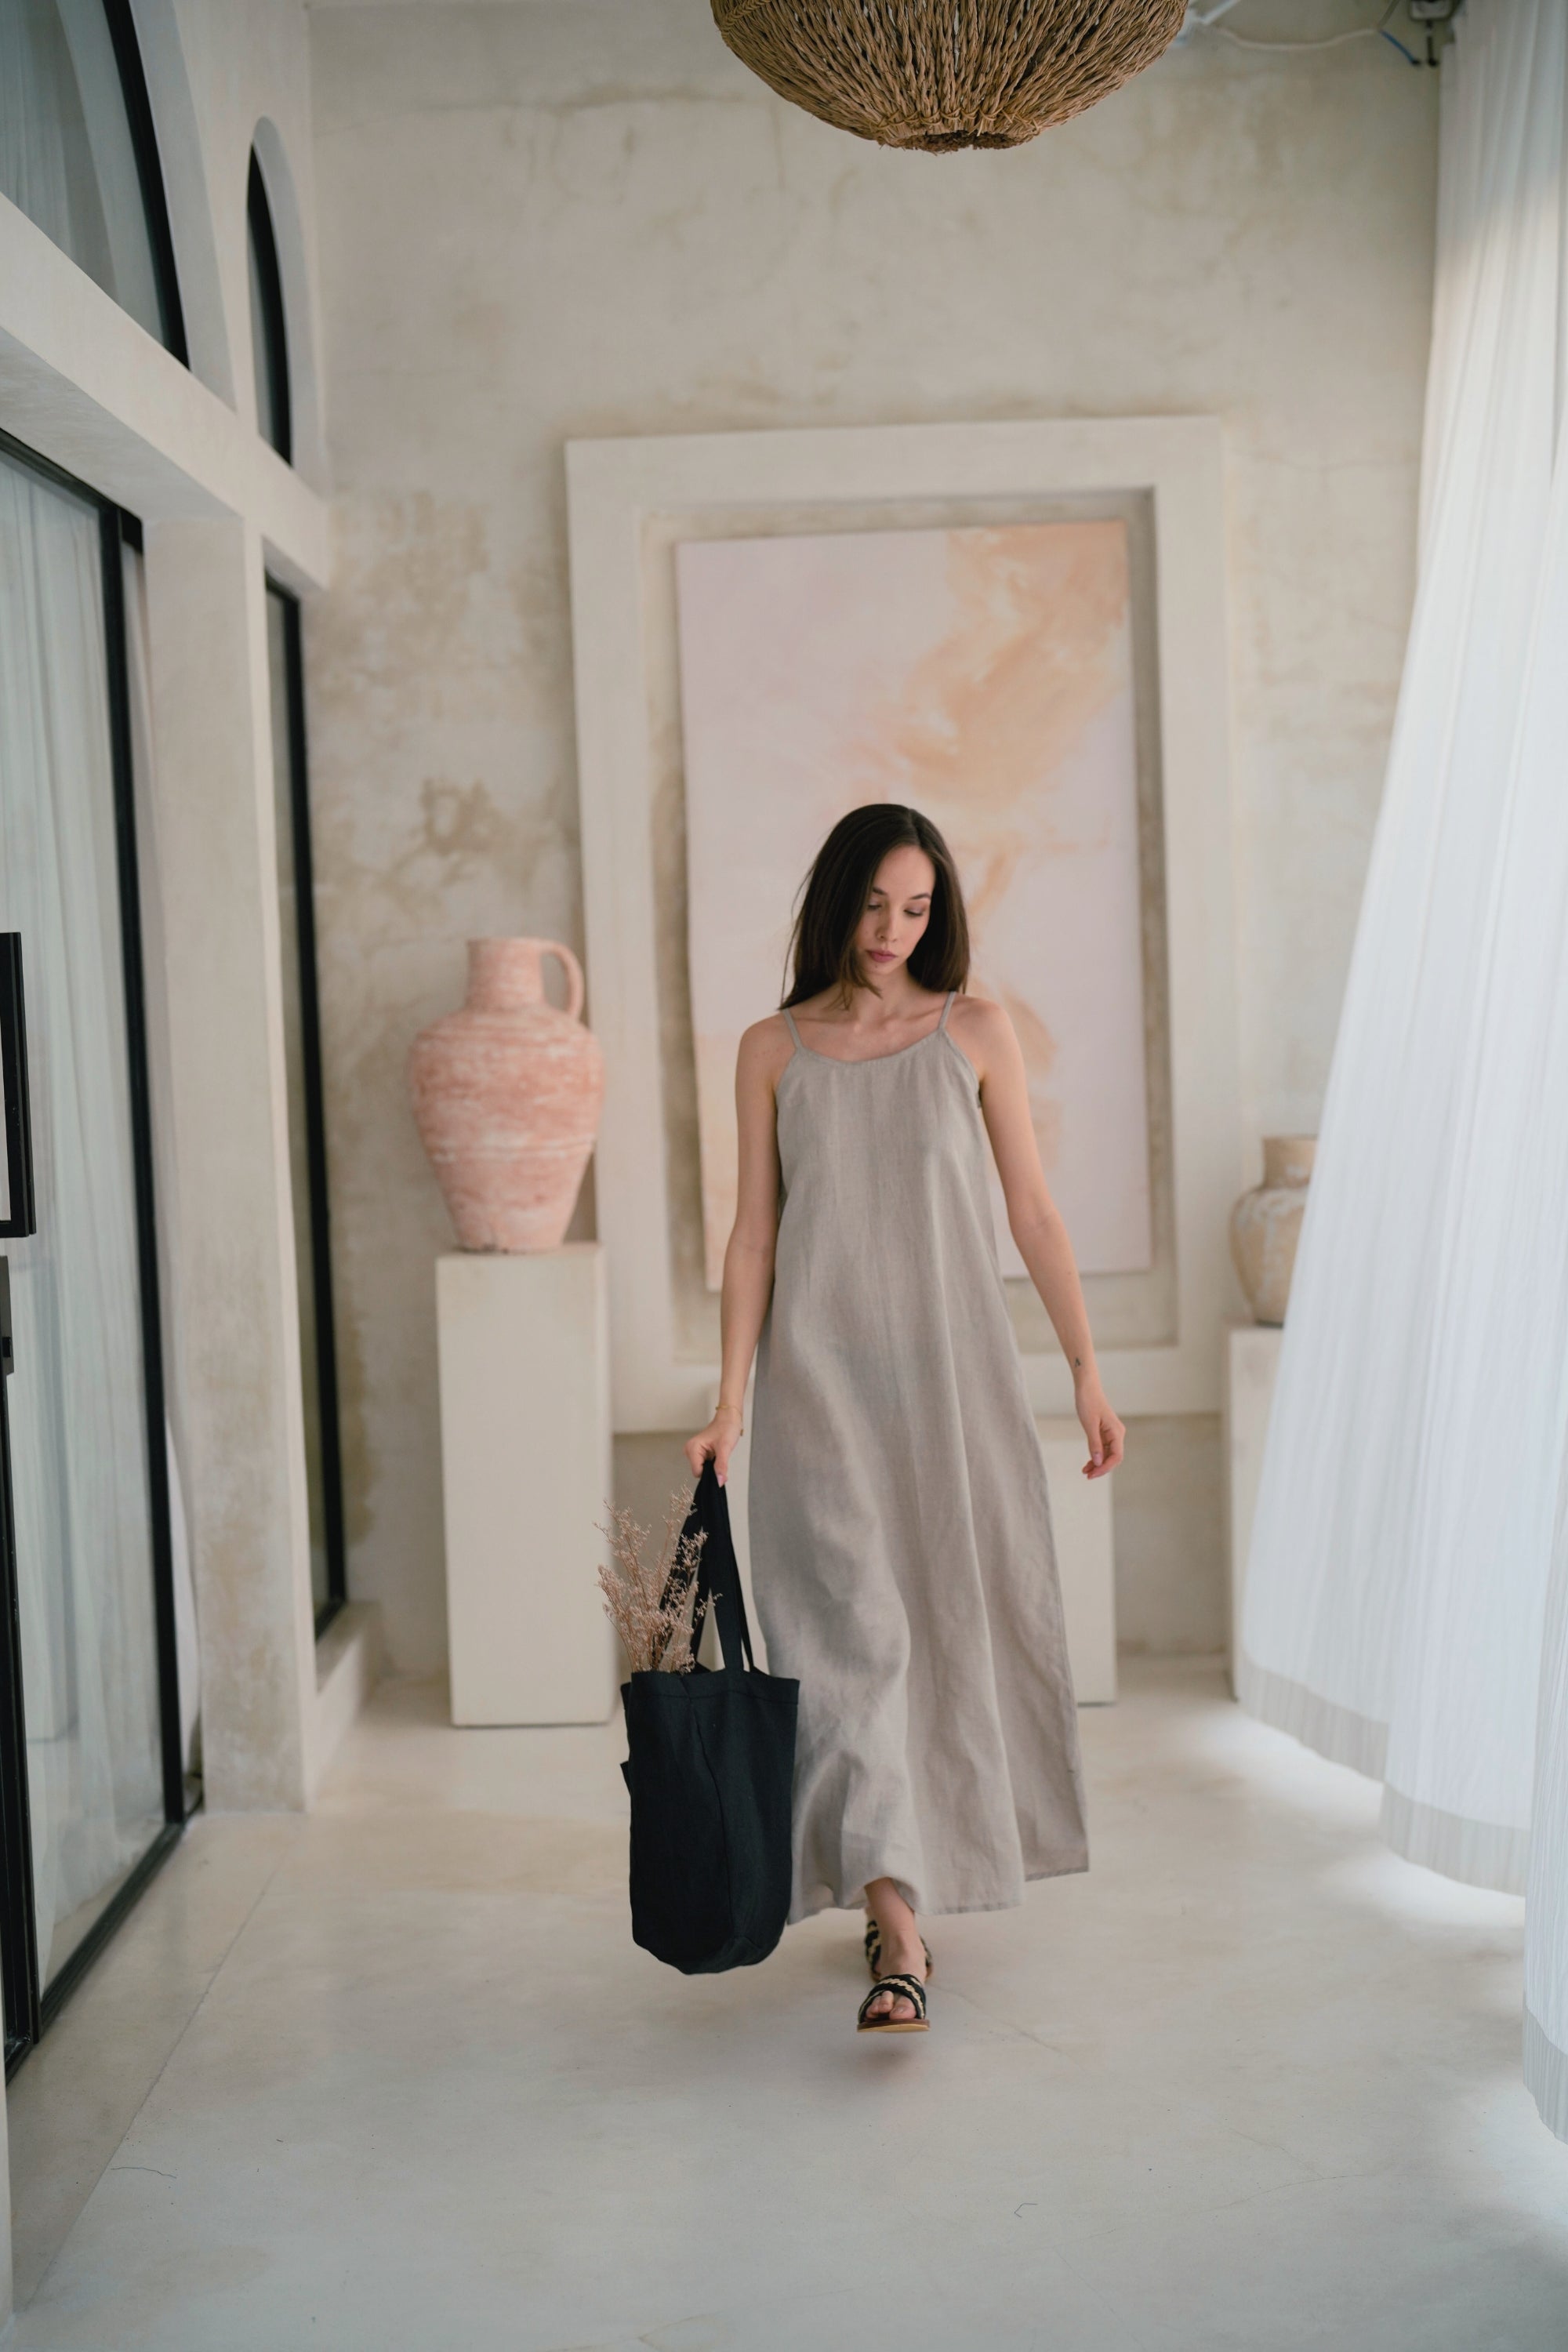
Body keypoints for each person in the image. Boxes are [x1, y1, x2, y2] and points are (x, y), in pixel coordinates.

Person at [685, 804, 1123, 2033]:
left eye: (918, 908)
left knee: (941, 1635)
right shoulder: (772, 1049)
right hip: (817, 1393)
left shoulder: (974, 1032)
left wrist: (1086, 1370)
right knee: (849, 1647)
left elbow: (1033, 1212)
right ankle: (898, 1929)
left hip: (953, 1391)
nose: (893, 929)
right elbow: (754, 1234)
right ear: (838, 900)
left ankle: (904, 1898)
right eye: (875, 904)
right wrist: (729, 1404)